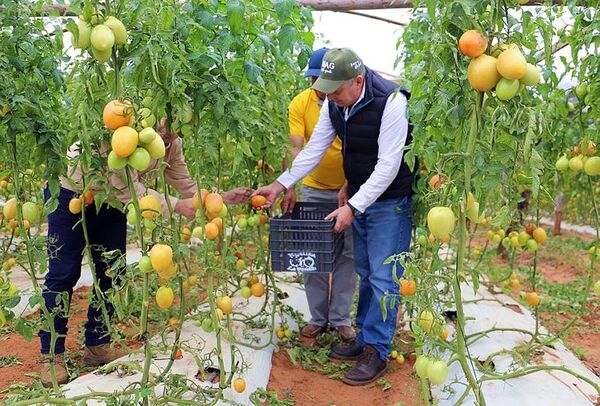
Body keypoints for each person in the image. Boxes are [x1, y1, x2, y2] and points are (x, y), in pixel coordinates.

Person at [39, 118, 250, 387]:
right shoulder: (124, 130)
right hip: (72, 192)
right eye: (163, 120)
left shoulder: (172, 143)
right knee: (63, 273)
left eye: (175, 122)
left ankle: (97, 343)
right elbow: (125, 184)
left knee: (112, 272)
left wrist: (216, 197)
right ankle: (51, 354)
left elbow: (182, 179)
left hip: (112, 201)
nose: (167, 128)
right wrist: (176, 206)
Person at [254, 48, 415, 385]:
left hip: (389, 201)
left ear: (358, 80)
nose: (332, 98)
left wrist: (353, 207)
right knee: (367, 272)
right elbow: (313, 149)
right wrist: (280, 184)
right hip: (359, 195)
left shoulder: (392, 102)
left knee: (385, 278)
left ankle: (377, 351)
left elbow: (389, 165)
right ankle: (365, 339)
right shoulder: (335, 103)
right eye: (327, 92)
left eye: (337, 91)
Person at [281, 47, 356, 343]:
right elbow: (295, 147)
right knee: (310, 255)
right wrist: (289, 185)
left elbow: (357, 147)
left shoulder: (347, 102)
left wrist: (350, 184)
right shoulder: (300, 103)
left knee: (346, 256)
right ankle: (317, 318)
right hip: (312, 188)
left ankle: (340, 319)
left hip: (348, 193)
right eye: (313, 78)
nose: (317, 86)